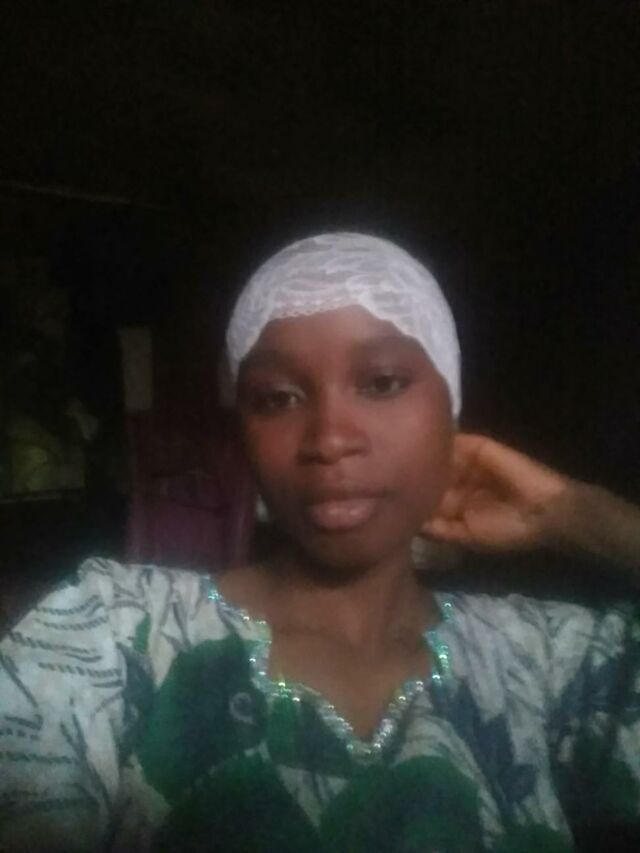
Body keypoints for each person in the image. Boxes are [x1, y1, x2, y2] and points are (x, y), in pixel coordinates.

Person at [1, 232, 639, 852]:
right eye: (277, 397)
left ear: (450, 411)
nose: (329, 438)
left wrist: (573, 513)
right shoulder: (115, 633)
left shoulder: (543, 661)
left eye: (382, 383)